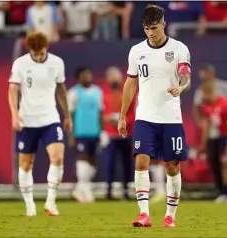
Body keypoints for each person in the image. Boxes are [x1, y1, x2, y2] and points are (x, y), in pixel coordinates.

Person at [117, 4, 191, 228]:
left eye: (155, 27)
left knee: (172, 165)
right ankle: (144, 214)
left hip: (170, 117)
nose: (152, 32)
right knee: (141, 159)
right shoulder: (137, 51)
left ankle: (170, 216)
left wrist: (181, 87)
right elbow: (131, 83)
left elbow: (186, 77)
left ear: (164, 24)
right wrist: (122, 116)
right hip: (145, 116)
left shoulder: (179, 48)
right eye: (148, 28)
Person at [8, 32, 72, 217]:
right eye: (35, 54)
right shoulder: (20, 64)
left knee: (57, 158)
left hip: (50, 118)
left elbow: (61, 88)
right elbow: (12, 90)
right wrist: (14, 115)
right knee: (26, 164)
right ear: (30, 50)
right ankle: (30, 206)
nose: (39, 56)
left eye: (41, 53)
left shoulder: (57, 63)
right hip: (27, 120)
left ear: (47, 48)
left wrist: (67, 115)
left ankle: (51, 202)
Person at [67, 67, 104, 203]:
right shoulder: (73, 93)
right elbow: (69, 115)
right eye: (84, 75)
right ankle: (85, 189)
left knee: (93, 160)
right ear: (78, 77)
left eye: (89, 74)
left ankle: (80, 189)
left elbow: (100, 112)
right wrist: (70, 135)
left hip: (95, 132)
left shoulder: (97, 91)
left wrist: (103, 131)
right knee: (83, 158)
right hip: (80, 132)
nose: (88, 76)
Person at [198, 80, 227, 203]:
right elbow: (208, 125)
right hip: (224, 135)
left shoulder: (225, 103)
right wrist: (203, 144)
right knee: (226, 163)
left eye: (203, 94)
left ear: (210, 93)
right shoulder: (207, 106)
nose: (201, 97)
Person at [102, 66, 135, 200]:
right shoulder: (104, 93)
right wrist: (108, 119)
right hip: (110, 134)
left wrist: (126, 120)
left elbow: (133, 112)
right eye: (112, 77)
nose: (115, 80)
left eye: (116, 77)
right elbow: (102, 113)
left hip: (126, 133)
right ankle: (108, 191)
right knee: (110, 164)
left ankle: (126, 191)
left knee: (127, 164)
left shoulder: (127, 92)